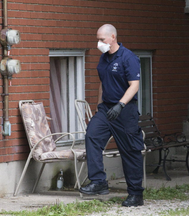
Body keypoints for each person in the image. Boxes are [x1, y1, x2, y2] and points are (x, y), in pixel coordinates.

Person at [79, 24, 145, 207]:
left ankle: (135, 194)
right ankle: (99, 182)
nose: (99, 43)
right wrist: (99, 105)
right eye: (97, 40)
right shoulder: (103, 59)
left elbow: (134, 85)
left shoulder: (128, 57)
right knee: (92, 136)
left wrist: (120, 105)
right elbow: (103, 83)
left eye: (102, 39)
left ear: (113, 37)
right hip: (106, 109)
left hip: (124, 111)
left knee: (130, 150)